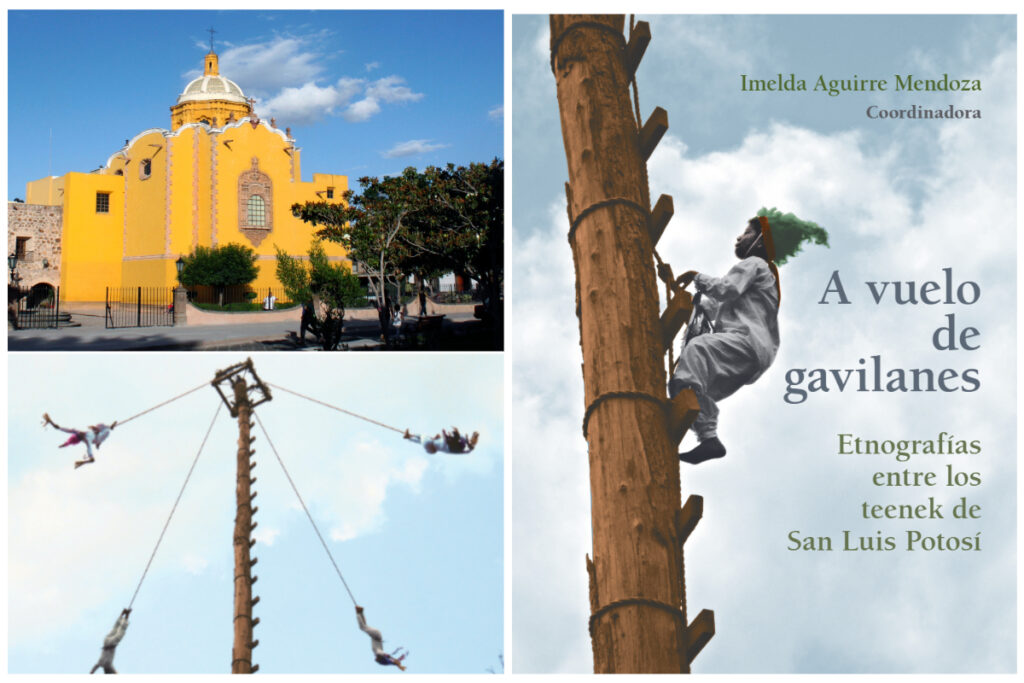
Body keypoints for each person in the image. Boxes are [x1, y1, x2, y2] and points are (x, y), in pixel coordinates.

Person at [667, 209, 827, 464]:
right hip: (753, 355)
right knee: (696, 384)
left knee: (696, 352)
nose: (739, 238)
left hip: (746, 342)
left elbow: (725, 289)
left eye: (747, 233)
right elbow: (719, 308)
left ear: (761, 240)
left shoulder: (755, 264)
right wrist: (686, 294)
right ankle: (709, 439)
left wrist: (697, 278)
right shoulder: (764, 278)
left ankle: (699, 425)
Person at [42, 413, 115, 469]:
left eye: (79, 434)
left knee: (100, 425)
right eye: (80, 435)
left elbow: (59, 428)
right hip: (98, 438)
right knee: (107, 431)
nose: (80, 433)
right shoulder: (87, 440)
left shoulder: (77, 431)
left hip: (96, 432)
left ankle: (106, 429)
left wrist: (50, 421)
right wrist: (83, 462)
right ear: (80, 438)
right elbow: (92, 459)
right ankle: (108, 430)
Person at [355, 606, 407, 671]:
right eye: (377, 661)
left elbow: (388, 659)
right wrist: (397, 664)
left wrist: (396, 664)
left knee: (364, 626)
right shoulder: (379, 653)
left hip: (376, 634)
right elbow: (387, 658)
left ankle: (360, 612)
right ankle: (358, 612)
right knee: (362, 627)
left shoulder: (377, 653)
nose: (375, 660)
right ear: (380, 659)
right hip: (376, 635)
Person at [90, 608, 131, 674]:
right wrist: (91, 672)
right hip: (105, 642)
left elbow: (115, 673)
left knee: (121, 632)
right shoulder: (101, 663)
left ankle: (126, 616)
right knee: (114, 629)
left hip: (111, 643)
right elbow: (94, 668)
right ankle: (122, 614)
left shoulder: (108, 665)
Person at [404, 427, 479, 454]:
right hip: (432, 448)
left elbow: (458, 439)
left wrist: (445, 434)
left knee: (422, 436)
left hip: (434, 447)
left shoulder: (449, 444)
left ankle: (409, 436)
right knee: (422, 440)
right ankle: (409, 437)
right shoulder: (456, 444)